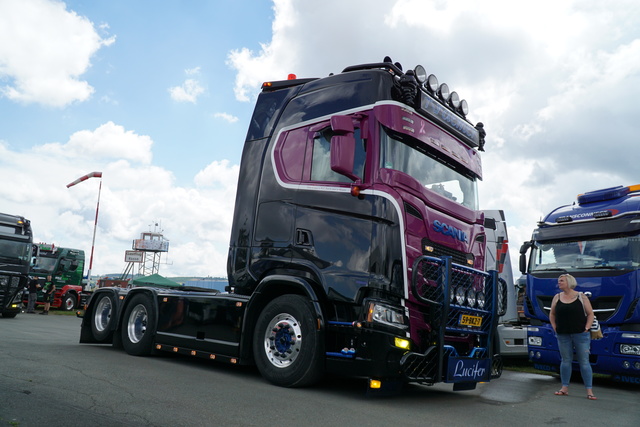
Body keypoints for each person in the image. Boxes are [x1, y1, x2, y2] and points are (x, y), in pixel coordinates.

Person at [549, 273, 597, 400]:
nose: (559, 283)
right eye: (559, 281)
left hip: (581, 334)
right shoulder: (557, 297)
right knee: (565, 361)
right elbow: (552, 314)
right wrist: (554, 326)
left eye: (562, 281)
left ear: (569, 282)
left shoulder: (581, 297)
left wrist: (587, 328)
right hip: (563, 334)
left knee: (584, 362)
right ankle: (564, 388)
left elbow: (590, 314)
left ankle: (589, 391)